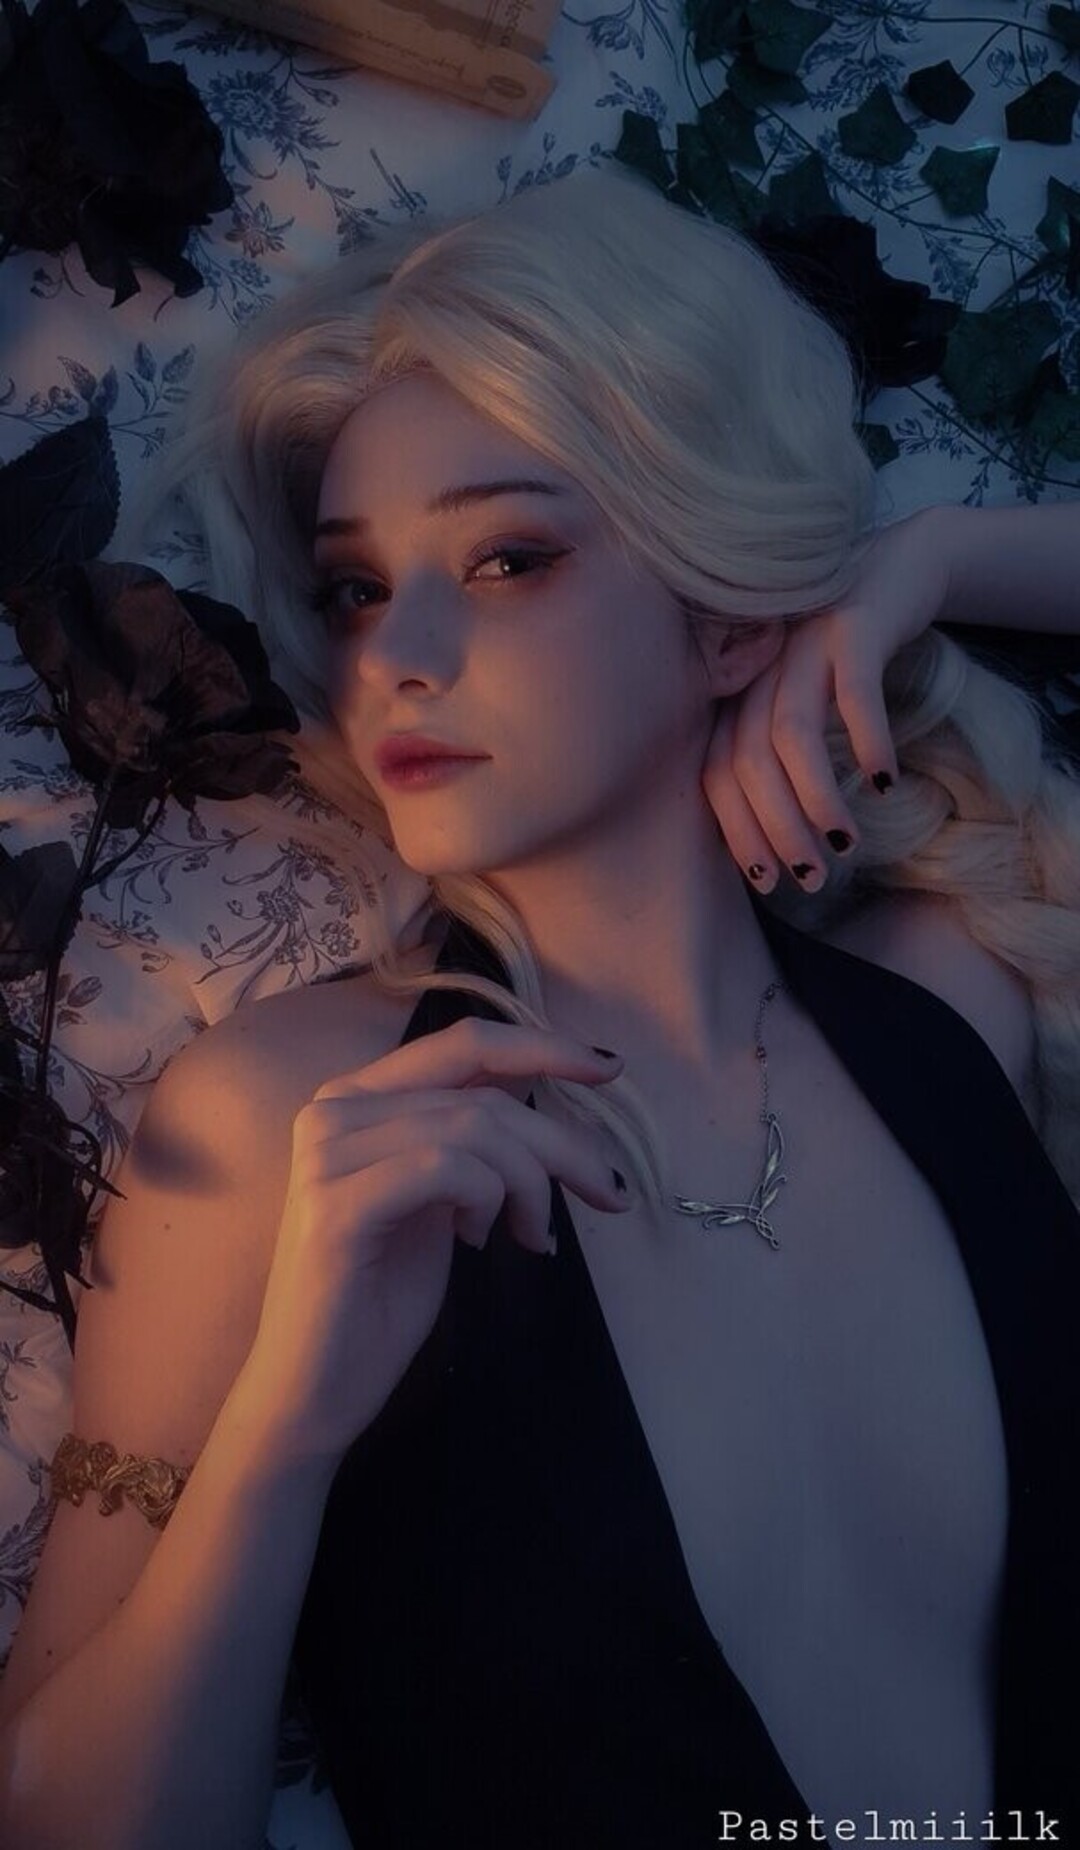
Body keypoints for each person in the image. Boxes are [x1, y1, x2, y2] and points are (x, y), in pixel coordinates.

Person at [0, 161, 1078, 1850]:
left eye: (507, 557)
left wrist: (919, 564)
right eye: (357, 588)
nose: (398, 653)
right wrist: (281, 1437)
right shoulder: (279, 1124)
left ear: (724, 614)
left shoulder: (956, 987)